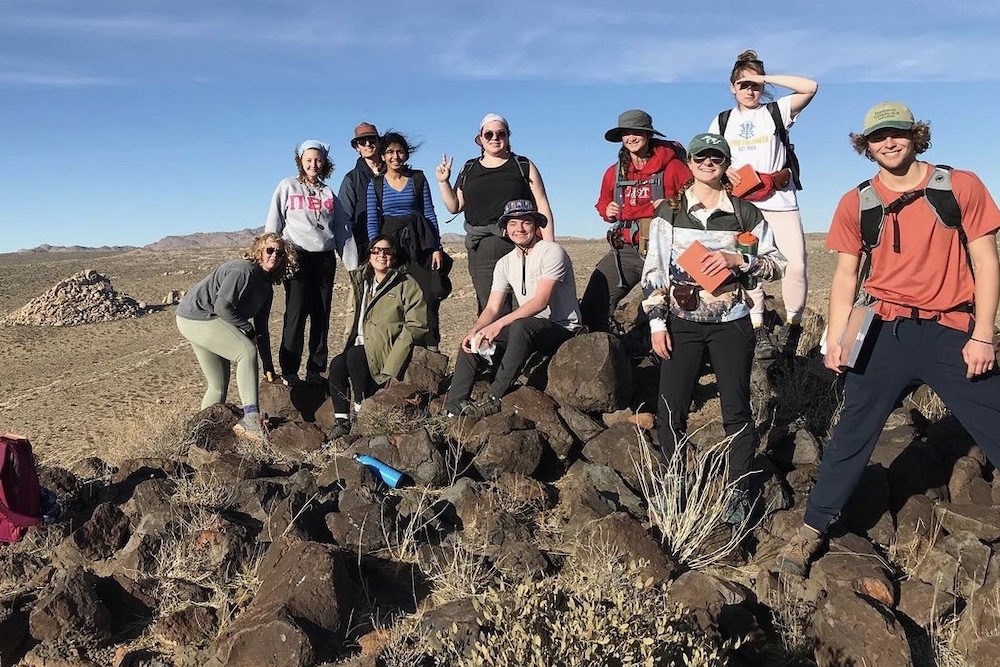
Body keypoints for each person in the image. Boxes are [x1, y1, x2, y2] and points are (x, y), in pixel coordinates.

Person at [776, 102, 1000, 575]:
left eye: (897, 133)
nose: (888, 143)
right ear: (866, 145)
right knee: (851, 433)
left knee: (994, 418)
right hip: (883, 333)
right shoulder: (857, 201)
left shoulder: (960, 186)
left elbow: (986, 262)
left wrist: (984, 335)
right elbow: (845, 275)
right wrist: (834, 338)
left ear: (916, 135)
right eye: (878, 137)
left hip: (951, 331)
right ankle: (813, 527)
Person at [641, 133, 786, 523]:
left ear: (726, 164)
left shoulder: (745, 213)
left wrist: (738, 259)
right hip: (681, 323)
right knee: (671, 408)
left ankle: (739, 491)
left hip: (732, 323)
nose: (708, 162)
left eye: (716, 157)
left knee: (736, 410)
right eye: (701, 156)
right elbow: (653, 271)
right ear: (689, 163)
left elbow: (777, 264)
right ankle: (676, 483)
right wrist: (657, 323)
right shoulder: (669, 214)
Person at [708, 49, 818, 359]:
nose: (750, 89)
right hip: (742, 203)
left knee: (796, 262)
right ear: (732, 87)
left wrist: (764, 77)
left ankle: (793, 326)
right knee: (749, 265)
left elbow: (810, 86)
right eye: (743, 83)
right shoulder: (722, 120)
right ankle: (758, 329)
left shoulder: (776, 111)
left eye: (755, 84)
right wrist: (726, 169)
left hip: (779, 198)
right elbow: (713, 155)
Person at [444, 199, 581, 418]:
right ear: (506, 230)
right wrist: (476, 330)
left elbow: (541, 301)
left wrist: (498, 325)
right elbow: (492, 307)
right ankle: (455, 405)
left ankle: (495, 397)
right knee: (472, 339)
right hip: (528, 329)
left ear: (536, 225)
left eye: (526, 222)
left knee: (520, 326)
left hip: (561, 328)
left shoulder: (552, 251)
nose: (519, 228)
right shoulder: (505, 263)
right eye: (513, 223)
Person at [176, 233, 298, 441]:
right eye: (270, 250)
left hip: (206, 319)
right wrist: (246, 327)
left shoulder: (266, 287)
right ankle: (251, 419)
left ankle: (199, 435)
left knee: (218, 384)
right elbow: (222, 307)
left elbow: (261, 329)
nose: (274, 256)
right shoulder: (245, 271)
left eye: (279, 253)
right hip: (198, 316)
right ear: (259, 251)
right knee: (246, 352)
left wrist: (268, 367)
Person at [579, 109, 692, 332]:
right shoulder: (615, 172)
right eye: (626, 133)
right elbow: (602, 202)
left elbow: (697, 202)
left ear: (648, 134)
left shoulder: (674, 168)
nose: (631, 138)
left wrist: (672, 206)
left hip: (664, 250)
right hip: (626, 249)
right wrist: (607, 210)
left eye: (636, 132)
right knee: (595, 302)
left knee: (672, 308)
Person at [435, 113, 555, 314]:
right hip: (481, 248)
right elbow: (455, 206)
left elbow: (542, 204)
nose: (495, 138)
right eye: (488, 134)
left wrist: (549, 247)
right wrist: (443, 182)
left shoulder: (523, 165)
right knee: (491, 307)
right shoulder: (469, 168)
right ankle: (498, 345)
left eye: (501, 133)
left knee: (526, 305)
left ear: (508, 136)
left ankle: (527, 345)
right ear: (480, 139)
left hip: (520, 243)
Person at [265, 139, 358, 386]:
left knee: (321, 315)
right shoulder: (288, 186)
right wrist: (269, 252)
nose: (313, 165)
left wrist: (353, 266)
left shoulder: (328, 193)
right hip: (297, 258)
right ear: (300, 161)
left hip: (325, 259)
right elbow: (274, 221)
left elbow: (342, 230)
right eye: (308, 160)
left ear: (325, 163)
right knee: (295, 314)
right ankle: (290, 370)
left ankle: (316, 370)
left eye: (318, 160)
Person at [327, 234, 427, 439]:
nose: (382, 255)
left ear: (394, 255)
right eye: (377, 250)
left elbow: (417, 324)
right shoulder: (361, 281)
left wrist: (394, 362)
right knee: (337, 364)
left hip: (385, 346)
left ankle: (361, 413)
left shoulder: (406, 284)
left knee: (355, 356)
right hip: (359, 342)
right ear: (369, 255)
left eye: (387, 250)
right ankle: (341, 420)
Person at [366, 131, 449, 351]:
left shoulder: (418, 178)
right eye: (390, 152)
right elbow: (373, 221)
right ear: (383, 155)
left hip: (420, 242)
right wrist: (377, 251)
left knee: (427, 293)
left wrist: (436, 247)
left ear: (407, 154)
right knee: (394, 295)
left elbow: (429, 213)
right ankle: (396, 347)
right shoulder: (375, 184)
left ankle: (430, 345)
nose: (395, 156)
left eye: (400, 151)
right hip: (391, 244)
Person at [338, 122, 384, 259]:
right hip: (365, 250)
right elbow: (344, 219)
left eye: (372, 139)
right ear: (357, 147)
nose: (368, 144)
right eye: (362, 141)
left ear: (379, 142)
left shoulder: (394, 174)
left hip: (395, 247)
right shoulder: (351, 179)